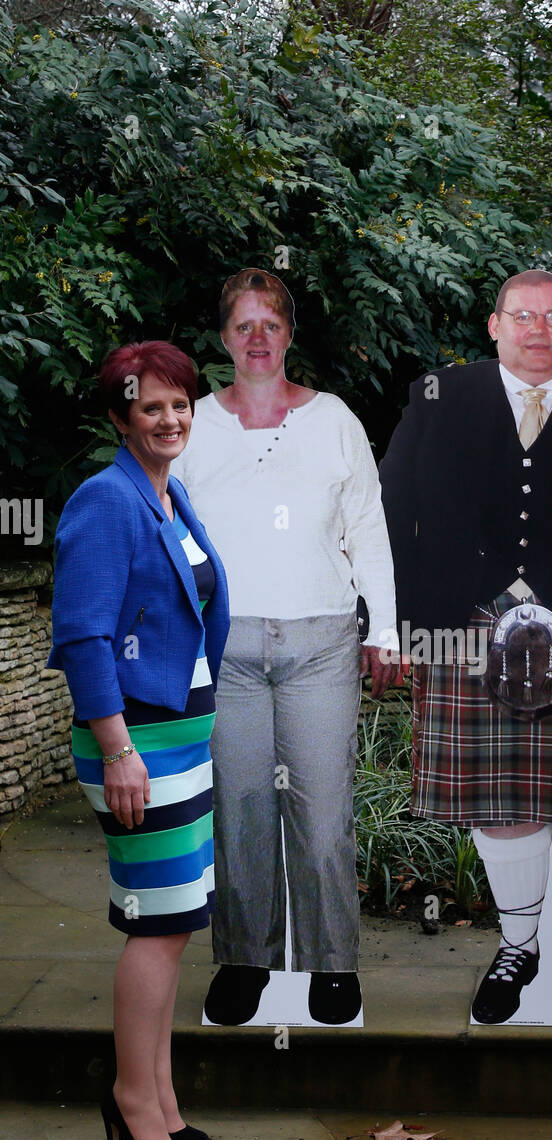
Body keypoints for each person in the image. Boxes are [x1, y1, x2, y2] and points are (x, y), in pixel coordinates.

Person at [379, 269, 552, 1025]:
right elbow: (390, 507)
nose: (538, 329)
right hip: (465, 624)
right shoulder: (437, 395)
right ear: (494, 325)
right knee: (501, 805)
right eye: (522, 316)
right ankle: (518, 948)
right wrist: (395, 624)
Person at [172, 268, 398, 1027]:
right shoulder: (192, 426)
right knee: (238, 810)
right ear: (224, 338)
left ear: (289, 334)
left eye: (271, 323)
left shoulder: (333, 419)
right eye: (243, 325)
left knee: (323, 808)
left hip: (321, 641)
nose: (258, 338)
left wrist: (387, 629)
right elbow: (169, 537)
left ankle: (334, 964)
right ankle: (244, 961)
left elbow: (368, 526)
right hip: (225, 647)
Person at [47, 341, 230, 1140]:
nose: (169, 420)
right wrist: (117, 749)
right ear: (120, 417)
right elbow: (82, 636)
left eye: (180, 404)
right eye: (150, 407)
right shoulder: (105, 499)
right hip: (138, 741)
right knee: (156, 929)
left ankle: (159, 1095)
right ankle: (131, 1101)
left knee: (177, 921)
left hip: (180, 734)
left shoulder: (167, 493)